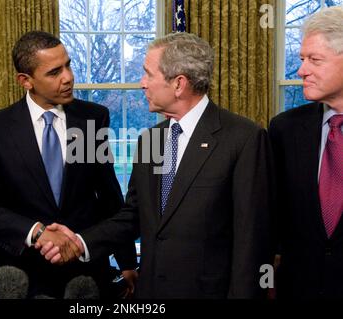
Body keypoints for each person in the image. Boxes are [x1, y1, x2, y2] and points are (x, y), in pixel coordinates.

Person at [42, 32, 274, 299]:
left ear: (179, 84)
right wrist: (79, 242)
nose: (142, 84)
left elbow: (252, 240)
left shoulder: (243, 138)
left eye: (148, 74)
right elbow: (133, 216)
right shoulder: (150, 140)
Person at [0, 31, 137, 299]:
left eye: (68, 65)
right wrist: (36, 232)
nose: (68, 77)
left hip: (85, 274)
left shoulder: (93, 118)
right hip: (22, 274)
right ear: (26, 81)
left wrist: (126, 262)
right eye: (54, 72)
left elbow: (109, 197)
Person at [269, 6, 343, 299]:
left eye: (314, 60)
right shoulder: (284, 130)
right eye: (301, 59)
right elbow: (270, 216)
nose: (301, 70)